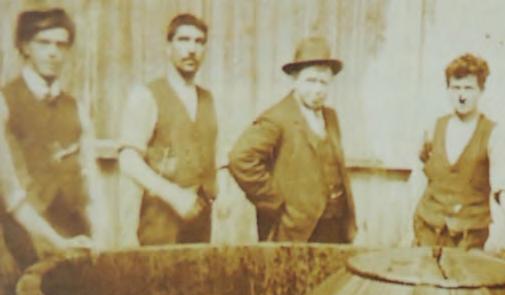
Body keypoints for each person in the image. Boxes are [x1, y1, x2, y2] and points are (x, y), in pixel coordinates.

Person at [0, 8, 95, 295]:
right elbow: (13, 195)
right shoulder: (5, 103)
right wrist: (56, 241)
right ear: (24, 47)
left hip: (68, 246)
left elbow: (90, 183)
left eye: (61, 44)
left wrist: (100, 239)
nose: (54, 53)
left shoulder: (76, 107)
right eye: (44, 43)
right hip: (17, 247)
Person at [228, 37, 356, 243]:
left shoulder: (331, 117)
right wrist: (275, 202)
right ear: (295, 80)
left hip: (335, 227)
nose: (317, 90)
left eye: (323, 82)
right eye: (310, 81)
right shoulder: (277, 118)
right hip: (295, 230)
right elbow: (240, 158)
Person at [118, 13, 217, 246]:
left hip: (200, 223)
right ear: (168, 47)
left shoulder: (208, 99)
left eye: (199, 42)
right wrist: (173, 195)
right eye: (183, 40)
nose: (191, 49)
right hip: (159, 224)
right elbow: (128, 159)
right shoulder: (146, 95)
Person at [410, 53, 505, 249]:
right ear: (448, 89)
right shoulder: (434, 128)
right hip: (428, 232)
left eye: (468, 88)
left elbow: (503, 189)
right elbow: (419, 178)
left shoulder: (493, 134)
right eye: (456, 88)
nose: (462, 96)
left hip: (469, 239)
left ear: (481, 90)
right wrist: (409, 229)